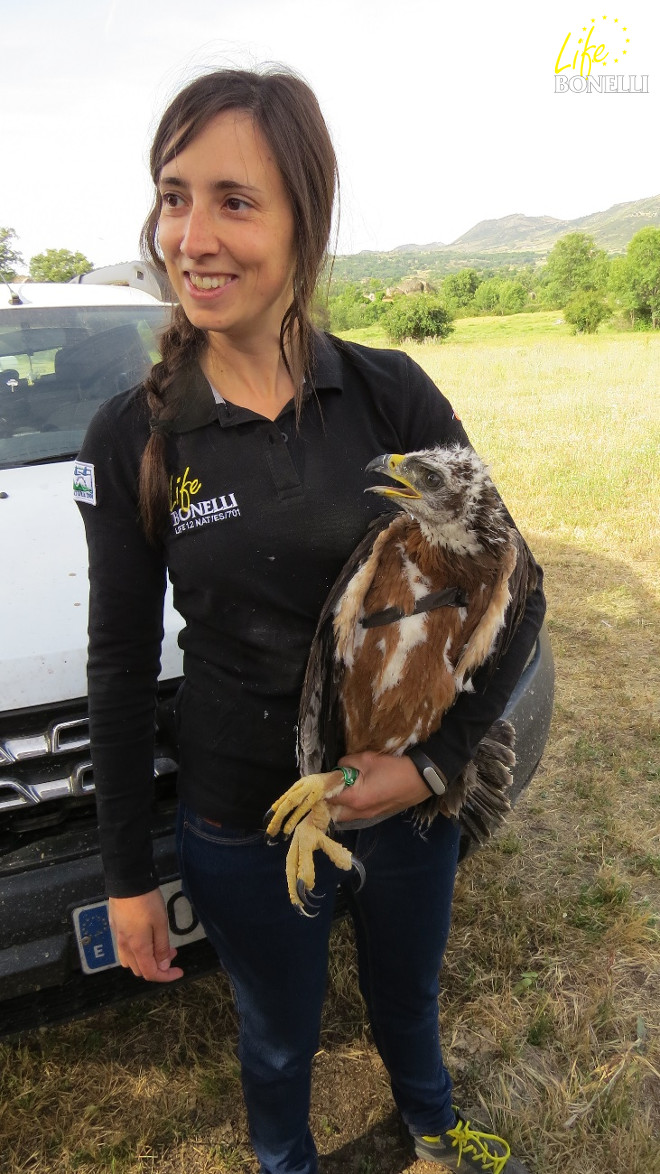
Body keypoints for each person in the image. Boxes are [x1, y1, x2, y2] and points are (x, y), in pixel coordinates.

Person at [76, 67, 545, 1174]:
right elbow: (117, 662)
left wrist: (431, 767)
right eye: (172, 194)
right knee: (278, 1038)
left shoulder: (391, 395)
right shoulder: (137, 438)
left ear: (305, 221)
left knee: (408, 1002)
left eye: (234, 201)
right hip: (245, 818)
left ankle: (436, 1132)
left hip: (405, 807)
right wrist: (127, 874)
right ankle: (286, 1163)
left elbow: (513, 590)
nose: (191, 234)